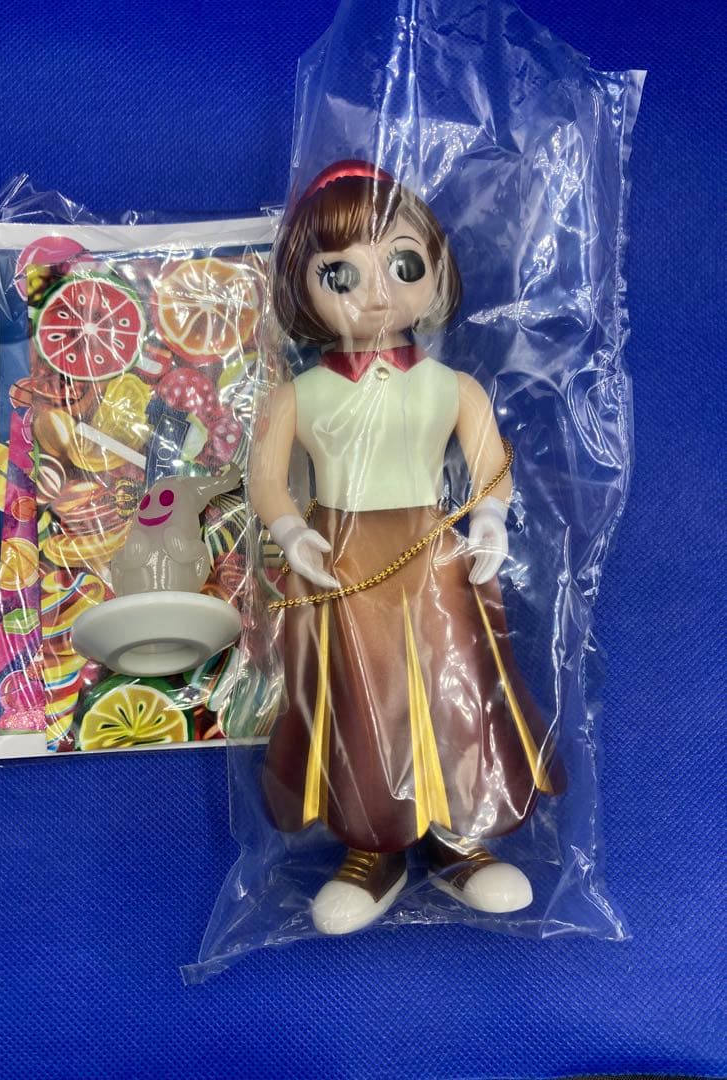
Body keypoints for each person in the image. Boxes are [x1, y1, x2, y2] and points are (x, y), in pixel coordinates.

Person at [249, 161, 563, 935]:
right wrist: (290, 532)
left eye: (403, 264)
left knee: (458, 694)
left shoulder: (452, 386)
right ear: (301, 285)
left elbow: (491, 468)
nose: (376, 293)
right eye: (340, 274)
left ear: (437, 269)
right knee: (357, 702)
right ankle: (370, 848)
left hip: (433, 561)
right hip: (343, 564)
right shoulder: (297, 397)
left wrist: (490, 520)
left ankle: (460, 838)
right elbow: (267, 483)